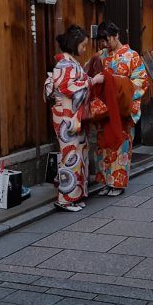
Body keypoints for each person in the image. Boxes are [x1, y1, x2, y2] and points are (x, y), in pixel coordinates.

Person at [45, 25, 104, 212]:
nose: (85, 49)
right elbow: (67, 88)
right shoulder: (65, 65)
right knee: (70, 156)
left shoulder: (70, 63)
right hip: (66, 117)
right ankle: (64, 199)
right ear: (74, 44)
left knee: (79, 155)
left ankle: (75, 195)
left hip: (72, 116)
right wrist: (91, 81)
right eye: (83, 45)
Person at [91, 22, 147, 197]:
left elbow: (141, 82)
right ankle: (106, 182)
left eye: (107, 40)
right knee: (104, 145)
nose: (104, 45)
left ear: (115, 36)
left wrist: (116, 84)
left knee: (120, 145)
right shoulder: (100, 57)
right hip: (105, 109)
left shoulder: (132, 56)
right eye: (102, 41)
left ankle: (118, 183)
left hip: (122, 108)